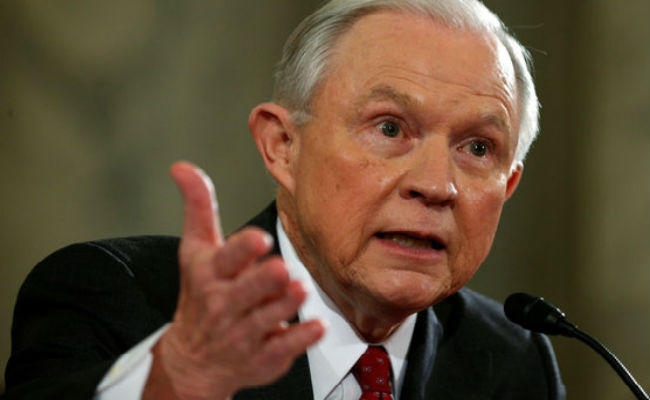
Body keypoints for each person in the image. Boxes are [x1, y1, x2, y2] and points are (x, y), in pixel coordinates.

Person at [4, 0, 566, 399]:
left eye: (478, 147)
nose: (437, 185)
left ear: (508, 185)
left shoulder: (511, 359)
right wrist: (173, 383)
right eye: (390, 128)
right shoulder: (122, 301)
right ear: (283, 146)